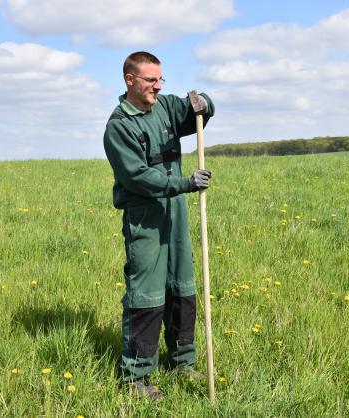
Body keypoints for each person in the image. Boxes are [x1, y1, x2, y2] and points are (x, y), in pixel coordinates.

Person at [103, 51, 215, 400]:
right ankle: (137, 377)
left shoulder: (164, 106)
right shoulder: (119, 126)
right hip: (145, 215)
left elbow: (198, 110)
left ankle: (184, 362)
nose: (158, 85)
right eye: (151, 80)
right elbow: (138, 177)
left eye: (160, 79)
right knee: (147, 293)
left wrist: (204, 103)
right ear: (130, 80)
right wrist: (185, 183)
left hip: (175, 211)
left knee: (182, 284)